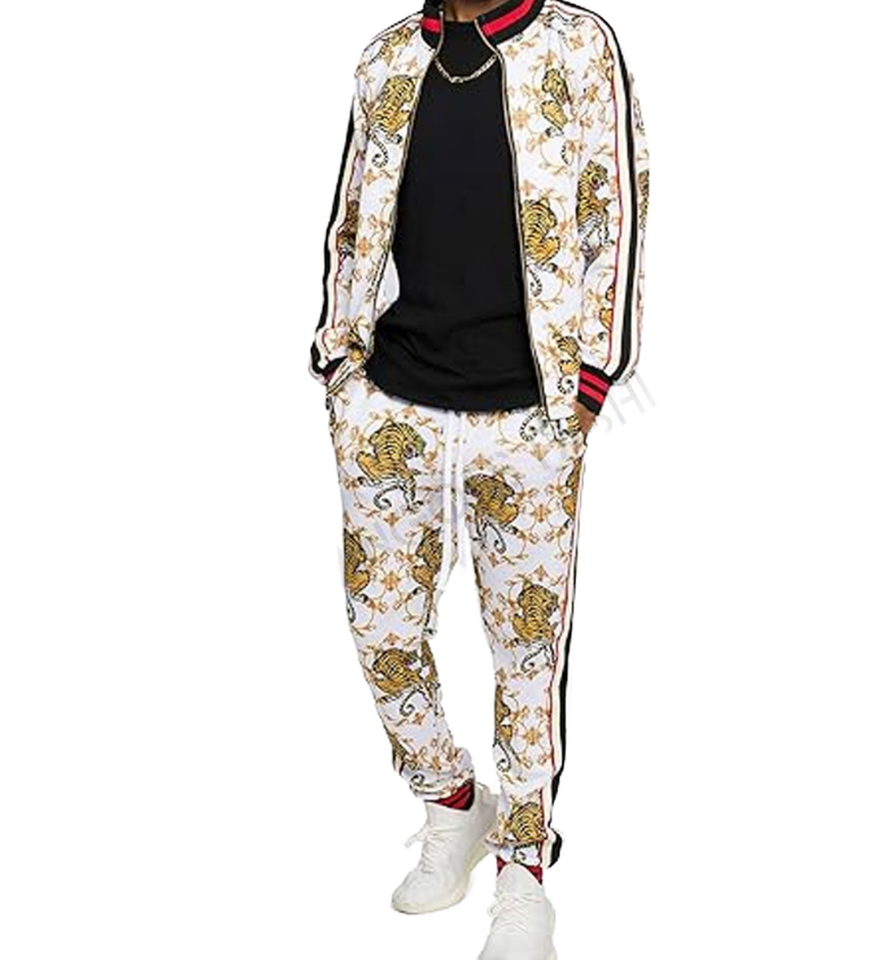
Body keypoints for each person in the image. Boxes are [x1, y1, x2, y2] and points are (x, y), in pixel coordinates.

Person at [309, 1, 649, 956]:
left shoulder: (579, 44)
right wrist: (338, 364)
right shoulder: (386, 57)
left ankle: (524, 869)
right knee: (382, 630)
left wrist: (593, 380)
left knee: (527, 654)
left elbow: (618, 210)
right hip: (394, 406)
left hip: (529, 414)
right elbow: (350, 216)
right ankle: (454, 802)